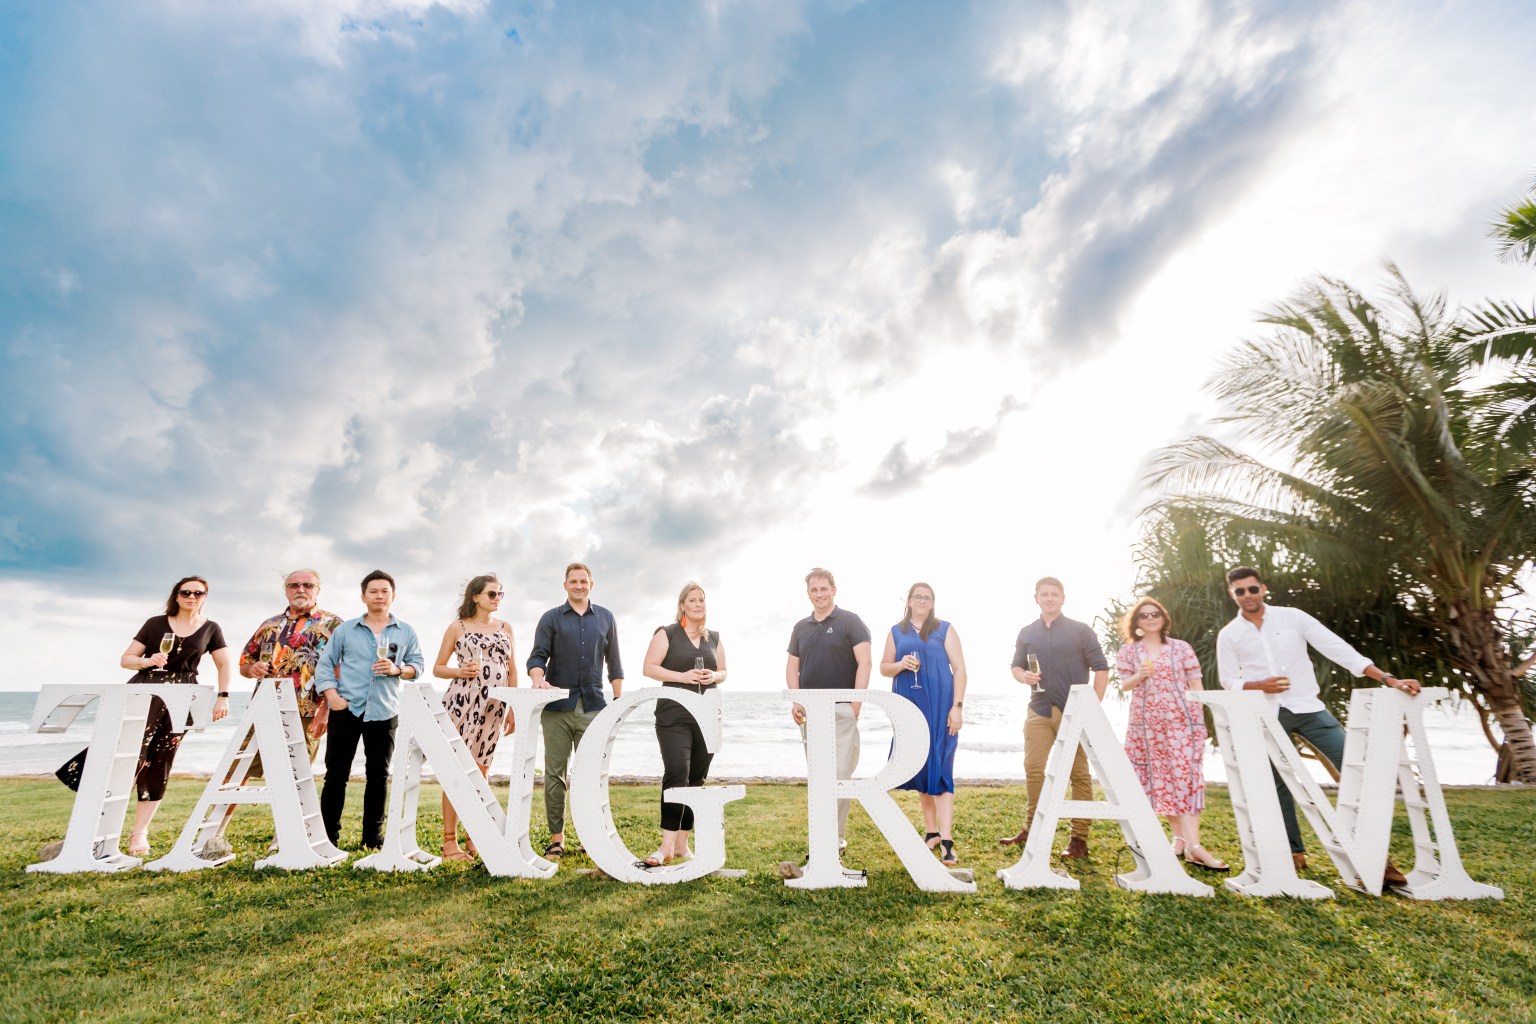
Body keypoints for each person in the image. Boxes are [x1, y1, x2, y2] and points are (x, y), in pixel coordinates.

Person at [1216, 566, 1420, 883]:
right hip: (1265, 714)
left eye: (1252, 589)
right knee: (1277, 785)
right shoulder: (1229, 634)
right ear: (1232, 594)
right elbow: (1228, 680)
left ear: (1263, 589)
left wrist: (1388, 679)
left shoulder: (1292, 617)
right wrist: (1259, 686)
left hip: (1309, 708)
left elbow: (1337, 648)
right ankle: (1292, 853)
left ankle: (1376, 859)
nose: (1247, 596)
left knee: (1356, 772)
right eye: (1239, 591)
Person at [115, 576, 232, 856]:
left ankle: (138, 833)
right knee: (129, 757)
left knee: (161, 760)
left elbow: (224, 663)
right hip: (145, 691)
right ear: (176, 595)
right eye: (186, 592)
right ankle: (103, 825)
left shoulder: (211, 628)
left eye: (198, 593)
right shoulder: (155, 623)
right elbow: (126, 659)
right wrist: (147, 661)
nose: (192, 596)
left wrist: (223, 697)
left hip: (183, 697)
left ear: (205, 597)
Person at [998, 576, 1109, 860]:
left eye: (1054, 594)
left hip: (1073, 710)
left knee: (1079, 774)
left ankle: (1078, 840)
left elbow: (1101, 668)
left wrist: (1092, 706)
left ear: (1063, 598)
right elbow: (1015, 666)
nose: (1049, 598)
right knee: (1033, 768)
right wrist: (1024, 676)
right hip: (1038, 708)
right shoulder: (1027, 632)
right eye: (1044, 594)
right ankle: (1032, 828)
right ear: (1036, 598)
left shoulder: (1081, 631)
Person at [314, 570, 426, 850]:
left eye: (384, 591)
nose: (379, 595)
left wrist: (398, 669)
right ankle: (328, 837)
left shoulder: (406, 631)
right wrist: (332, 697)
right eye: (373, 591)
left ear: (393, 596)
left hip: (385, 711)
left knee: (378, 776)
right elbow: (325, 665)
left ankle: (372, 839)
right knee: (336, 775)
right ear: (363, 596)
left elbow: (418, 666)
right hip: (347, 709)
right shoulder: (346, 630)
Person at [1115, 597, 1226, 871]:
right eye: (1144, 615)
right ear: (1137, 622)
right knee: (1161, 780)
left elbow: (1196, 687)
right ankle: (1179, 839)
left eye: (1155, 614)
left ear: (1164, 618)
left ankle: (1195, 846)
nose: (1150, 618)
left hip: (1182, 724)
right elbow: (1125, 686)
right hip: (1147, 727)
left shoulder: (1181, 648)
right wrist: (1139, 675)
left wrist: (1198, 724)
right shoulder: (1129, 652)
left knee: (1186, 779)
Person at [527, 562, 624, 861]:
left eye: (584, 581)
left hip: (594, 707)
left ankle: (589, 836)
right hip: (556, 708)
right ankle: (557, 839)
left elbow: (615, 662)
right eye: (573, 581)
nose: (579, 585)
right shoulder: (551, 618)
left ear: (591, 585)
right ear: (565, 585)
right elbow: (537, 657)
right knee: (555, 775)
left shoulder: (606, 617)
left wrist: (619, 698)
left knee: (588, 775)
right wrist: (537, 680)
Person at [878, 582, 967, 867]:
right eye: (918, 596)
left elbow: (960, 669)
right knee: (920, 765)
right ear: (909, 600)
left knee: (941, 768)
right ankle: (931, 832)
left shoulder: (945, 629)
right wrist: (901, 664)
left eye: (927, 598)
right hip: (908, 706)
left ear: (932, 602)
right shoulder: (896, 631)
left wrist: (957, 706)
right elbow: (883, 668)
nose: (922, 601)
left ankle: (948, 840)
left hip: (941, 705)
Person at [640, 581, 728, 867]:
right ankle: (665, 847)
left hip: (706, 715)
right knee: (677, 773)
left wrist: (714, 677)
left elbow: (724, 671)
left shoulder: (714, 637)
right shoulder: (667, 633)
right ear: (682, 606)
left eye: (702, 599)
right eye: (692, 600)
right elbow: (649, 667)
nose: (698, 604)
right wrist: (683, 676)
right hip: (673, 716)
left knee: (696, 780)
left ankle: (682, 845)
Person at [786, 567, 871, 862]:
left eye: (824, 589)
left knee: (839, 776)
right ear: (808, 593)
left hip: (842, 710)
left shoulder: (851, 621)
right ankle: (822, 840)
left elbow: (865, 663)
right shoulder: (800, 628)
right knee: (819, 778)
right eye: (814, 590)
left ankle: (835, 841)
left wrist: (856, 704)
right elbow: (792, 667)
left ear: (834, 589)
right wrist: (796, 701)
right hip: (811, 714)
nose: (819, 594)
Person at [431, 574, 516, 862]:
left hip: (494, 708)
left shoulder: (506, 628)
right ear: (475, 597)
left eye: (500, 594)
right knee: (457, 772)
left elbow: (512, 669)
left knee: (480, 773)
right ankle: (449, 843)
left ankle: (475, 836)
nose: (497, 599)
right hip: (462, 704)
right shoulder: (458, 627)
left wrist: (513, 705)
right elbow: (438, 668)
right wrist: (460, 671)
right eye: (492, 594)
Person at [235, 568, 343, 780]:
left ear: (318, 590)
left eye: (308, 585)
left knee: (295, 778)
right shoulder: (269, 625)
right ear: (286, 591)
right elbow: (244, 666)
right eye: (294, 585)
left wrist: (326, 711)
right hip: (264, 708)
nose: (301, 589)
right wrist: (253, 668)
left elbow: (342, 672)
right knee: (236, 772)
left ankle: (291, 815)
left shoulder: (335, 625)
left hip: (308, 711)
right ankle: (223, 815)